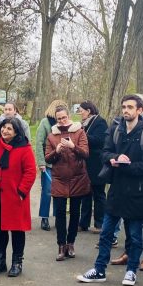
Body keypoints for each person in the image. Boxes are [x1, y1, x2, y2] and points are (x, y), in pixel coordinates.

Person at [77, 95, 143, 286]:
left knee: (134, 235)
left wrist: (125, 165)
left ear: (140, 110)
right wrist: (114, 158)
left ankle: (131, 270)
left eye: (130, 107)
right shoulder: (116, 130)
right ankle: (99, 269)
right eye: (124, 107)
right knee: (106, 233)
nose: (126, 110)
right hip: (116, 191)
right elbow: (104, 153)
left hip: (137, 191)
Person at [0, 118, 37, 277]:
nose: (5, 131)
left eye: (10, 129)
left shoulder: (24, 149)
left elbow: (30, 172)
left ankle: (17, 263)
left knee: (17, 230)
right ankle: (0, 261)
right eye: (4, 127)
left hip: (15, 197)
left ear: (17, 132)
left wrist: (21, 192)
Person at [45, 104, 90, 260]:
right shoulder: (51, 136)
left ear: (69, 116)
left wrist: (73, 146)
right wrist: (56, 151)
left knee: (75, 213)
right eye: (59, 119)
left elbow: (85, 153)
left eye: (64, 117)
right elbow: (47, 157)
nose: (62, 121)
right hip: (59, 179)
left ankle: (71, 243)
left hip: (78, 178)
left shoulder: (79, 132)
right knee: (60, 213)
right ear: (56, 120)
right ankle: (61, 245)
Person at [33, 100, 66, 231]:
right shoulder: (45, 123)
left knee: (60, 192)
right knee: (47, 191)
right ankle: (44, 217)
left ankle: (58, 217)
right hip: (48, 164)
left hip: (62, 165)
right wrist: (41, 162)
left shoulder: (65, 124)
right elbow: (39, 142)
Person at [77, 100, 109, 232]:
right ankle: (83, 223)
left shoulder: (100, 122)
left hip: (97, 164)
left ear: (88, 111)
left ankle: (99, 223)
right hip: (86, 164)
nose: (80, 113)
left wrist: (82, 135)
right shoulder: (83, 124)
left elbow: (100, 140)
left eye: (81, 111)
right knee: (85, 194)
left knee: (99, 194)